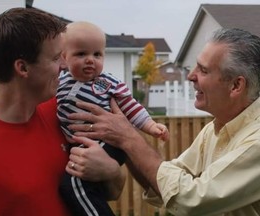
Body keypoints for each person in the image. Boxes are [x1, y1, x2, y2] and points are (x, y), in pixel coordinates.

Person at [66, 27, 260, 216]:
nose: (191, 76)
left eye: (203, 70)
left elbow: (190, 198)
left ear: (236, 85)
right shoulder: (215, 129)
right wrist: (123, 134)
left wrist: (129, 138)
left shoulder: (256, 141)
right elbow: (164, 183)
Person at [0, 8, 125, 216]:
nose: (64, 65)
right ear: (23, 68)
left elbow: (113, 192)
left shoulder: (67, 112)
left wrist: (111, 171)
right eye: (55, 58)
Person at [57, 21, 169, 216]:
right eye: (81, 54)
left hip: (108, 142)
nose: (90, 60)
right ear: (64, 58)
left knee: (73, 181)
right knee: (85, 188)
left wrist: (151, 126)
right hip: (82, 145)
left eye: (97, 54)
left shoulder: (109, 83)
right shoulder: (60, 82)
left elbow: (131, 107)